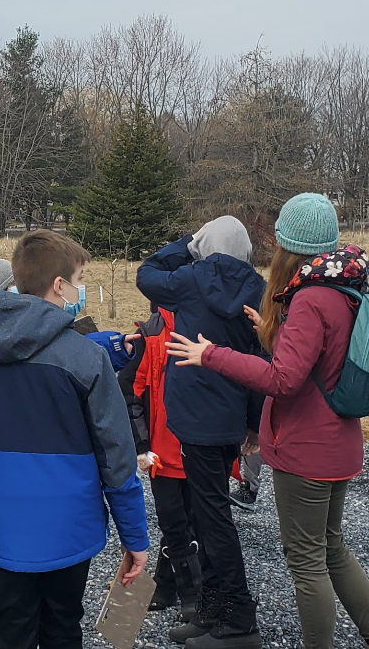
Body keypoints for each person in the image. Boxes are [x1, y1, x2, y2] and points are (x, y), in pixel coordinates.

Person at [167, 193, 369, 649]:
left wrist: (211, 355)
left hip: (306, 451)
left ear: (289, 244)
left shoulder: (311, 297)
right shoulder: (346, 286)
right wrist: (274, 331)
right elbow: (319, 359)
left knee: (305, 561)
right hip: (339, 442)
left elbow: (282, 379)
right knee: (332, 547)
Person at [0, 229, 149, 649]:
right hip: (71, 523)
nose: (81, 287)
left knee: (9, 628)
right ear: (59, 285)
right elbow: (117, 456)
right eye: (80, 278)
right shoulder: (87, 357)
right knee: (63, 626)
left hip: (3, 523)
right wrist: (135, 537)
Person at [136, 216, 266, 649]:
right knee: (209, 517)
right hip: (228, 420)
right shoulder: (257, 288)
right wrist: (252, 424)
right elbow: (256, 359)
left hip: (192, 419)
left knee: (214, 522)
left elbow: (147, 273)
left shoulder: (190, 278)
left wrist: (186, 244)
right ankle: (212, 612)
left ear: (205, 248)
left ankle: (239, 619)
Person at [118, 308, 202, 620]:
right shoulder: (151, 334)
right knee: (173, 520)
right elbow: (129, 388)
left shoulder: (215, 323)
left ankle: (167, 586)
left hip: (200, 445)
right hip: (163, 448)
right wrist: (141, 443)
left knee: (190, 518)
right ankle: (192, 593)